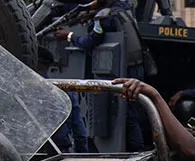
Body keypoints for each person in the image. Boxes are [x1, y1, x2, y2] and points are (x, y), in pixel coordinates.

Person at [53, 0, 149, 151]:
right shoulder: (123, 7)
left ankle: (136, 151)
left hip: (123, 70)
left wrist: (69, 36)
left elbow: (90, 41)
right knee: (132, 110)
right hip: (136, 67)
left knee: (127, 114)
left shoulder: (103, 18)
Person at [35, 47, 89, 154]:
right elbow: (80, 131)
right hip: (58, 153)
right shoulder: (64, 91)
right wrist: (81, 156)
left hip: (25, 156)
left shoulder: (18, 89)